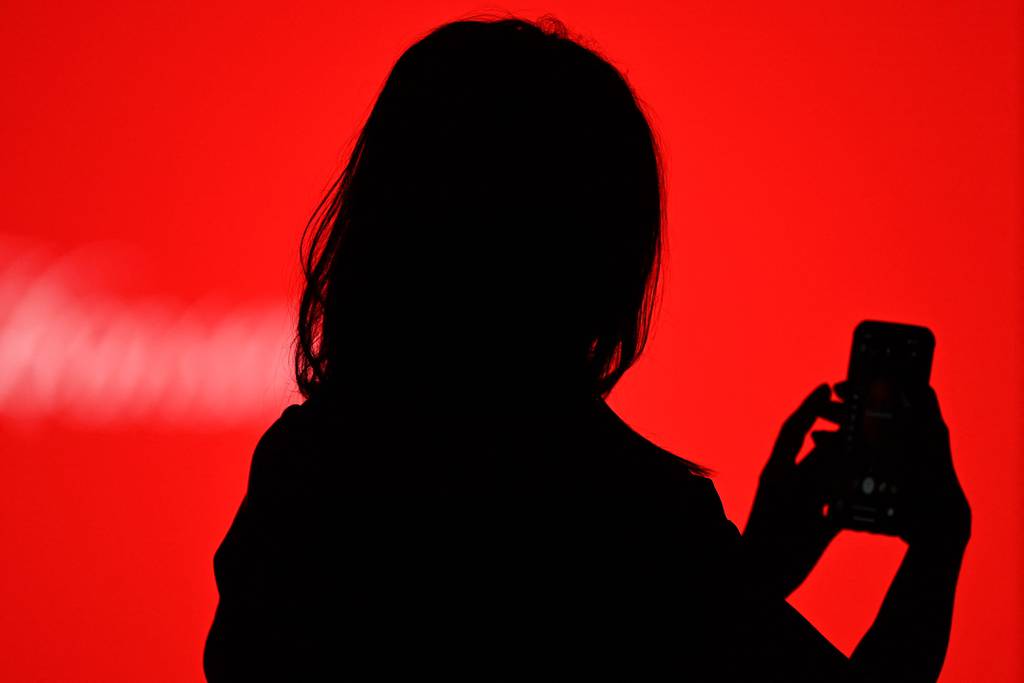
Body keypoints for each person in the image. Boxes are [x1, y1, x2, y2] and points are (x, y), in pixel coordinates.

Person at [203, 16, 970, 681]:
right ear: (602, 263)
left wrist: (742, 580)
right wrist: (936, 548)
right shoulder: (642, 524)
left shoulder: (305, 474)